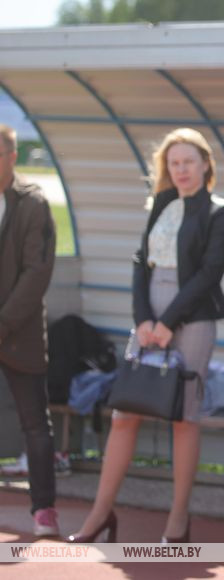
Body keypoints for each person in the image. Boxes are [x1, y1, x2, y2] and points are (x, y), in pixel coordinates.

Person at [67, 127, 224, 543]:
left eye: (188, 161)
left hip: (192, 319)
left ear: (205, 165)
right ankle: (99, 515)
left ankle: (178, 520)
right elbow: (140, 262)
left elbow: (209, 274)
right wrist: (143, 319)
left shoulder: (219, 210)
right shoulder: (161, 203)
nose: (181, 169)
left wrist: (167, 323)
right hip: (148, 319)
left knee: (184, 419)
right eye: (173, 163)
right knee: (124, 414)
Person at [0, 123, 60, 537]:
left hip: (20, 335)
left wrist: (3, 323)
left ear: (12, 157)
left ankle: (44, 511)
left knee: (35, 424)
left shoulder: (33, 202)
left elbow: (37, 271)